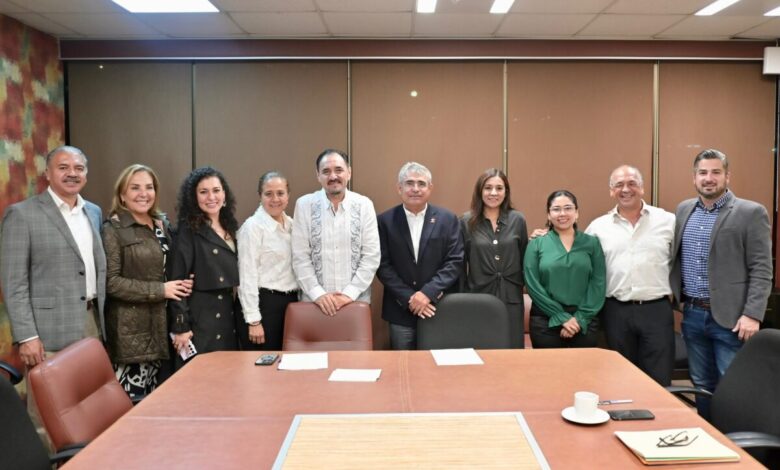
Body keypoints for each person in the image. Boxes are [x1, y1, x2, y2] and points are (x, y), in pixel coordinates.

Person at [0, 145, 106, 448]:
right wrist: (27, 336)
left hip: (91, 323)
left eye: (79, 168)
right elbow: (14, 283)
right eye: (63, 167)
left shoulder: (93, 212)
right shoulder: (22, 214)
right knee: (47, 414)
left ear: (86, 174)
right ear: (47, 173)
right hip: (46, 333)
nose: (72, 173)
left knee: (87, 404)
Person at [670, 149, 772, 419]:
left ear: (727, 176)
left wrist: (752, 314)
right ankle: (709, 433)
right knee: (701, 383)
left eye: (716, 172)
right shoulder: (683, 210)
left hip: (734, 319)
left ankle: (738, 440)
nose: (709, 178)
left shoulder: (751, 212)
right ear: (694, 177)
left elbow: (762, 268)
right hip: (693, 315)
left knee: (734, 384)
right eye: (703, 172)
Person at [102, 164, 193, 397]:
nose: (143, 193)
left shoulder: (162, 224)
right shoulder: (113, 229)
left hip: (163, 329)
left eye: (149, 187)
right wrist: (161, 290)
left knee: (160, 403)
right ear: (122, 194)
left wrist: (184, 281)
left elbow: (170, 266)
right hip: (133, 333)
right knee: (132, 407)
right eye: (135, 188)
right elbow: (112, 283)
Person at [585, 165, 675, 385]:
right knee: (620, 378)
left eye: (632, 183)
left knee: (659, 378)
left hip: (656, 309)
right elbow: (577, 257)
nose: (626, 189)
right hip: (616, 311)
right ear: (611, 191)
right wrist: (545, 234)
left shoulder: (668, 221)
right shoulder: (598, 227)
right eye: (619, 185)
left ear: (642, 188)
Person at [377, 162, 464, 350]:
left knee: (438, 364)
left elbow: (455, 261)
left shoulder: (448, 219)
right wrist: (410, 298)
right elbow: (383, 266)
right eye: (409, 183)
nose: (415, 189)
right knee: (403, 365)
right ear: (399, 188)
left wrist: (427, 293)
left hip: (438, 307)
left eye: (421, 184)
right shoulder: (384, 221)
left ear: (430, 188)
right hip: (400, 310)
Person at [291, 149, 380, 316]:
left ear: (349, 172)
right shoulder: (304, 205)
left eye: (339, 170)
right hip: (314, 303)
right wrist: (318, 294)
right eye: (326, 171)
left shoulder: (364, 205)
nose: (333, 176)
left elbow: (371, 256)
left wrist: (348, 294)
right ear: (318, 175)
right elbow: (300, 256)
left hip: (355, 302)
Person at [168, 167, 241, 360]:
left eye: (216, 190)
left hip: (227, 313)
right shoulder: (187, 230)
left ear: (224, 194)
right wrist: (181, 327)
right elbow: (178, 284)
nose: (211, 197)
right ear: (194, 197)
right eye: (203, 192)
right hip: (199, 317)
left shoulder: (231, 227)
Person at [524, 190, 605, 348]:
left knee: (584, 365)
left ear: (577, 213)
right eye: (556, 209)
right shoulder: (536, 243)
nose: (562, 213)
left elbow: (598, 283)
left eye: (568, 208)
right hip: (545, 320)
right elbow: (532, 284)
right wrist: (561, 317)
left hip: (584, 320)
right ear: (548, 215)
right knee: (549, 365)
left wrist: (579, 318)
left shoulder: (592, 243)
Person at [461, 168, 528, 348]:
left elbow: (525, 259)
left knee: (512, 350)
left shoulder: (518, 220)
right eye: (488, 188)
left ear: (506, 192)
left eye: (499, 188)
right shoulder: (466, 221)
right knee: (481, 348)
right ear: (479, 191)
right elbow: (460, 266)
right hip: (478, 297)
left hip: (511, 297)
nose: (493, 193)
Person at [237, 171, 298, 351]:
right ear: (260, 195)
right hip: (263, 306)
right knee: (264, 365)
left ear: (288, 196)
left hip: (290, 304)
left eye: (280, 193)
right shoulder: (252, 227)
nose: (275, 199)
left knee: (288, 363)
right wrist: (254, 320)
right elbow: (246, 275)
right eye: (268, 194)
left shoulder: (293, 225)